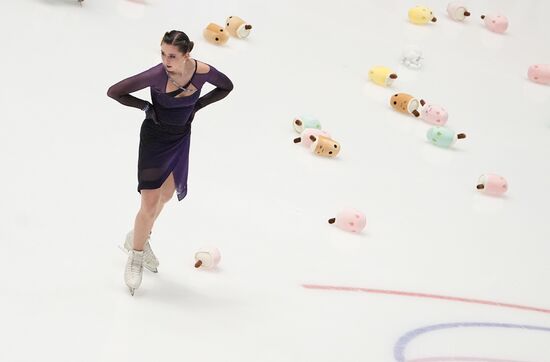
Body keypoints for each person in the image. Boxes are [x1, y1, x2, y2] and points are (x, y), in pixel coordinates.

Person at [107, 30, 233, 295]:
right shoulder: (157, 75)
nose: (166, 60)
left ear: (187, 55)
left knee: (165, 196)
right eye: (163, 53)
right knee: (149, 202)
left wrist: (197, 106)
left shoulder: (203, 72)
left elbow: (226, 86)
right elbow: (115, 91)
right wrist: (145, 107)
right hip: (155, 139)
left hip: (180, 139)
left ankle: (138, 237)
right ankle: (136, 256)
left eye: (172, 55)